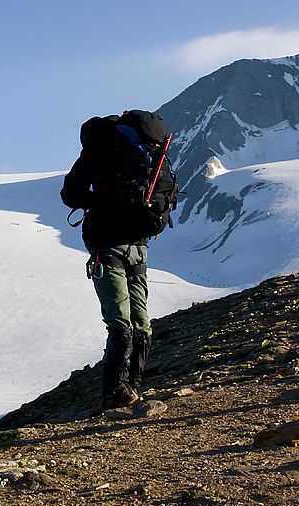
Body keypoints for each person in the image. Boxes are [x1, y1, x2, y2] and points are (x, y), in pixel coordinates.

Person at [59, 110, 177, 411]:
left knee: (119, 322)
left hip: (108, 242)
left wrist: (101, 203)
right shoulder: (150, 152)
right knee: (141, 323)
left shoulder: (97, 150)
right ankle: (132, 389)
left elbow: (71, 193)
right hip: (139, 244)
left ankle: (115, 392)